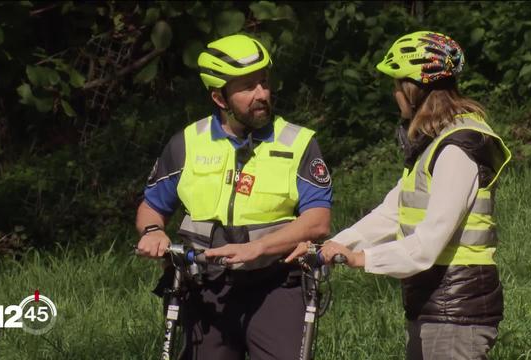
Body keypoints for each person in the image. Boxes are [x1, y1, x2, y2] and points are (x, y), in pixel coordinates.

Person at [286, 31, 512, 359]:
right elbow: (392, 213)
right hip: (435, 306)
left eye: (396, 84)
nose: (394, 94)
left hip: (456, 310)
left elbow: (429, 242)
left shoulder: (457, 148)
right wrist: (333, 247)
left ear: (413, 88)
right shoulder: (434, 144)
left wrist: (362, 259)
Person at [135, 33, 332, 360]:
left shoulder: (298, 143)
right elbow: (152, 207)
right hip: (206, 290)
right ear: (219, 98)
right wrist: (153, 232)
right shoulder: (187, 143)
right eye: (247, 87)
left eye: (264, 82)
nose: (262, 94)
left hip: (276, 284)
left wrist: (257, 248)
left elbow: (318, 221)